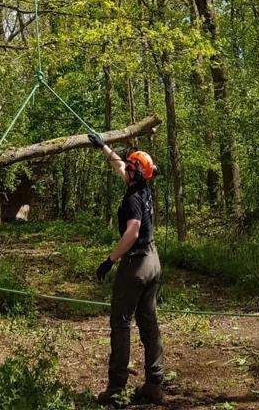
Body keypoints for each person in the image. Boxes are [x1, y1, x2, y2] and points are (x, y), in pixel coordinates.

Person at [88, 132, 165, 406]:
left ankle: (116, 389)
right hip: (153, 261)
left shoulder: (133, 198)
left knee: (121, 324)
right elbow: (120, 165)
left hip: (135, 264)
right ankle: (154, 383)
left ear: (137, 173)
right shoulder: (143, 189)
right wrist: (103, 147)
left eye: (131, 167)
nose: (126, 169)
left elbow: (132, 232)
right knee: (148, 322)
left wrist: (110, 260)